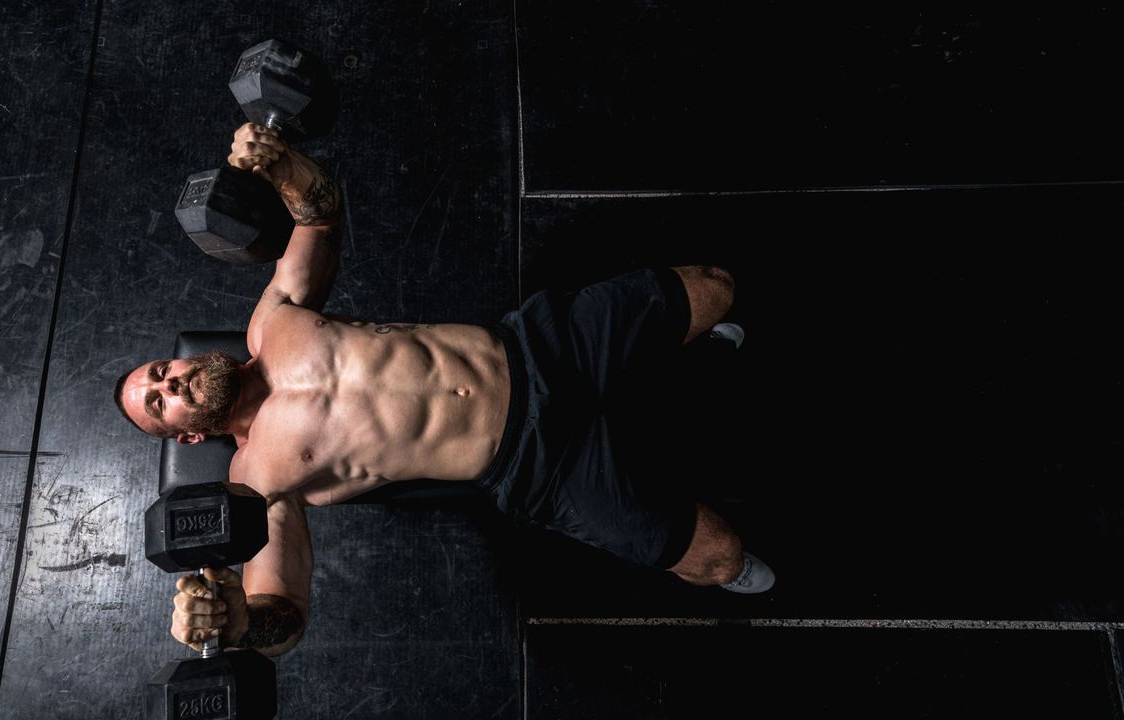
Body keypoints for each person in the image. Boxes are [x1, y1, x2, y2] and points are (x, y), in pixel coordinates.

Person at [114, 123, 775, 658]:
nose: (170, 379)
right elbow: (285, 615)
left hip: (541, 349)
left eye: (159, 372)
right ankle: (674, 377)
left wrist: (282, 162)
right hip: (539, 465)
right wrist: (237, 624)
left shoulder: (274, 320)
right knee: (720, 560)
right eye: (160, 401)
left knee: (717, 287)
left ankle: (677, 356)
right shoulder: (254, 484)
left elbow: (320, 215)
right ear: (187, 434)